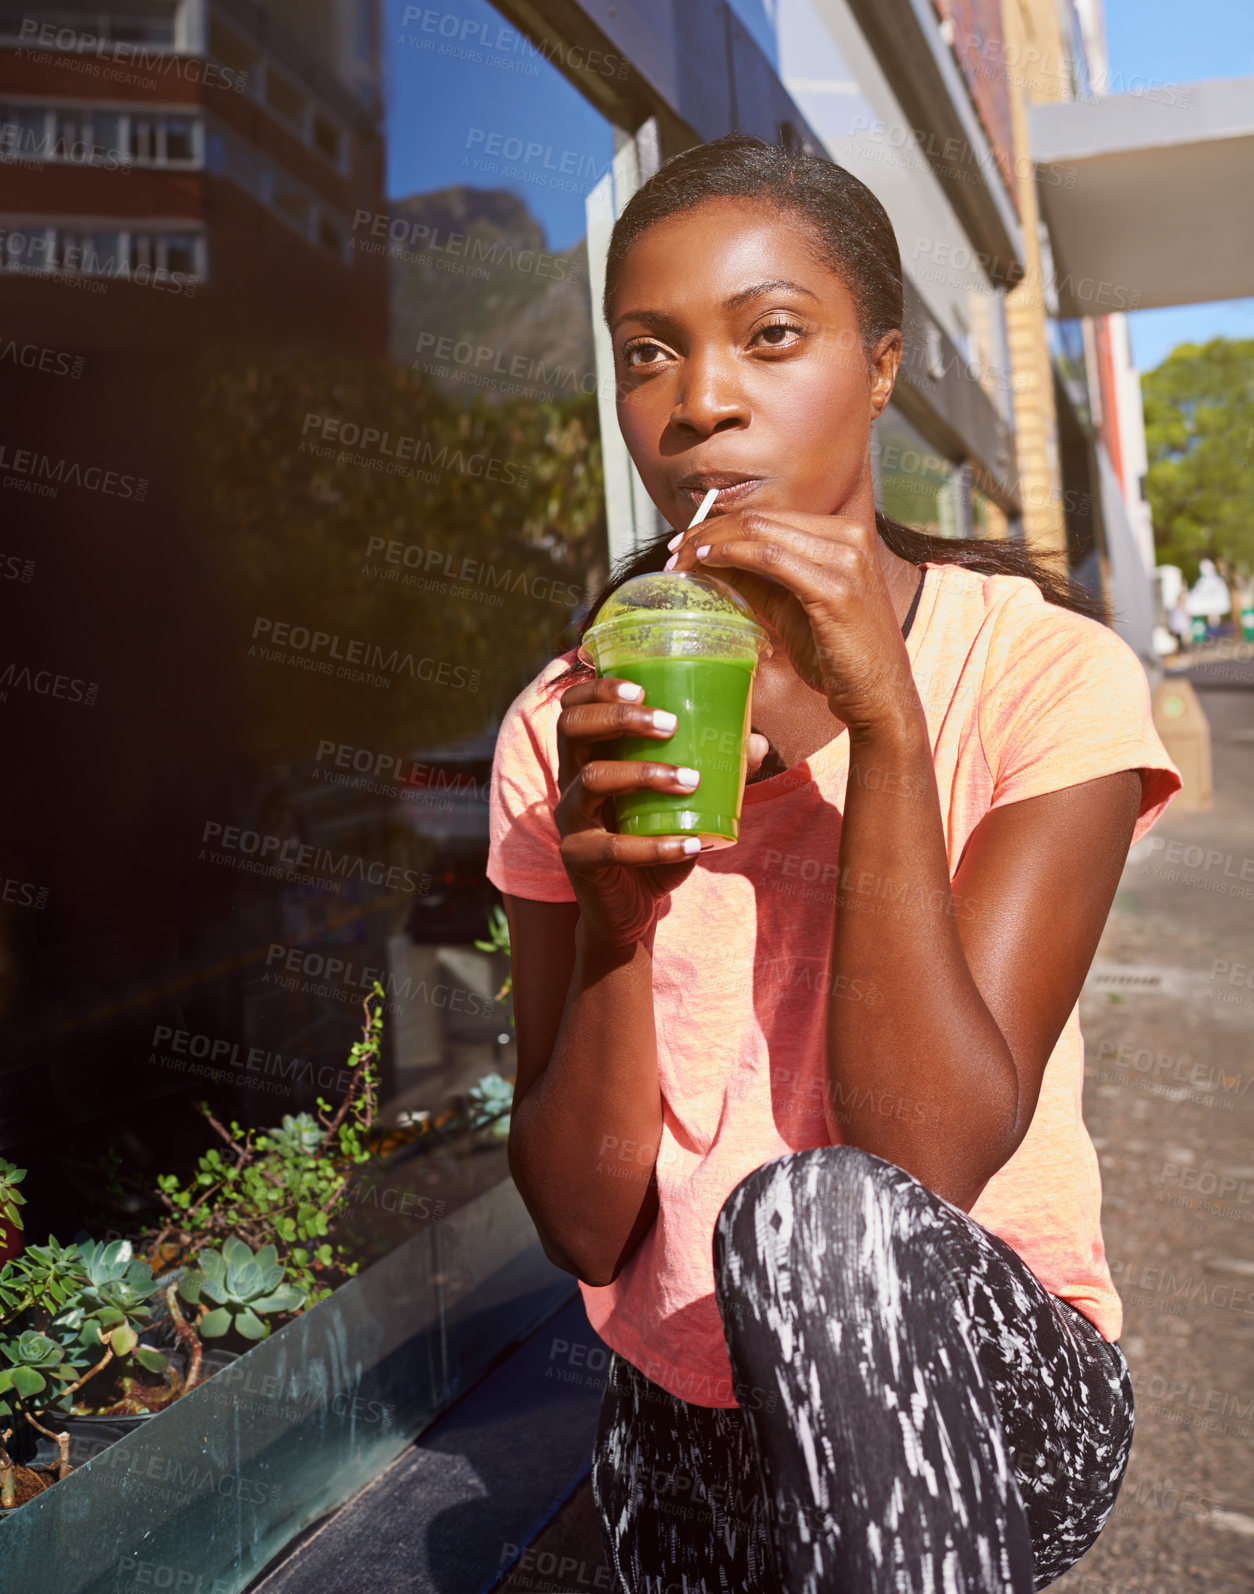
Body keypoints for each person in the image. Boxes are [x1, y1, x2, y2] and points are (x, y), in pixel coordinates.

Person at [486, 135, 1182, 1594]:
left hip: (993, 1390)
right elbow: (578, 1221)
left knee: (816, 1215)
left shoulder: (1037, 674)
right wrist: (613, 918)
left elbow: (920, 1156)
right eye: (645, 355)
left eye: (771, 336)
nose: (701, 402)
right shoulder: (569, 723)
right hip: (692, 1425)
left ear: (879, 366)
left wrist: (889, 726)